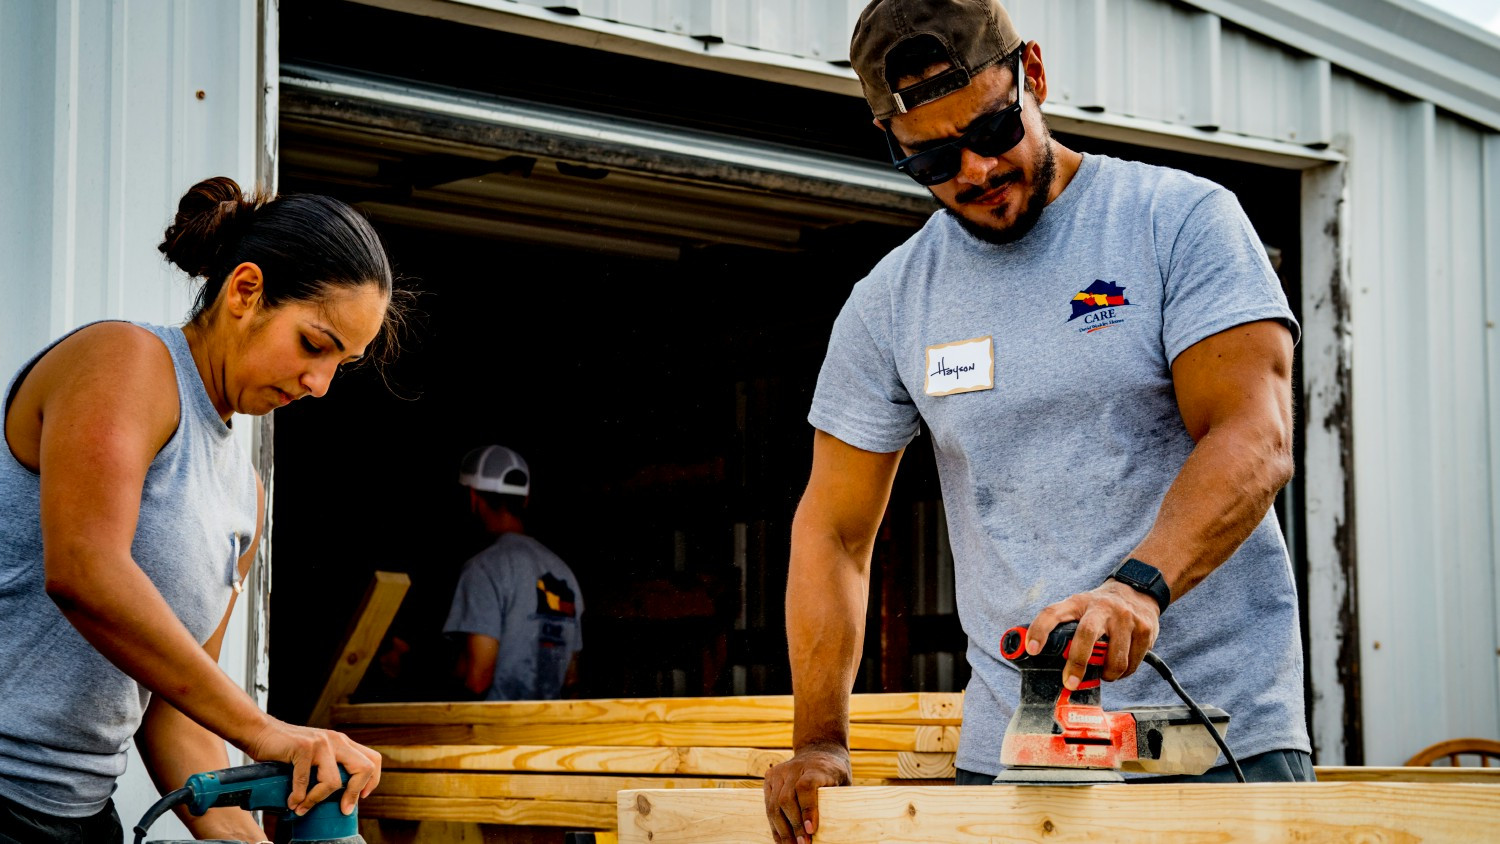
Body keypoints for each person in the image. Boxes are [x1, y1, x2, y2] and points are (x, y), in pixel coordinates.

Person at [763, 1, 1310, 840]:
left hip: (1211, 743)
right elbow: (835, 530)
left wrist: (1140, 587)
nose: (976, 170)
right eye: (936, 159)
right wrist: (820, 740)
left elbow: (1254, 435)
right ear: (891, 140)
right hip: (1016, 760)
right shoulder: (889, 304)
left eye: (991, 128)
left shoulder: (1177, 221)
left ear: (1035, 76)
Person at [0, 176, 405, 843]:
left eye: (343, 363)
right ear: (246, 291)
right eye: (314, 344)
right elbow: (84, 569)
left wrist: (246, 840)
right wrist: (266, 731)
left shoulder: (243, 493)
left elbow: (174, 712)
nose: (320, 384)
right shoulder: (125, 361)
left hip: (76, 818)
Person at [445, 446, 584, 701]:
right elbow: (570, 678)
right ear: (525, 499)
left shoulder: (483, 569)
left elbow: (478, 678)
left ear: (473, 498)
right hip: (548, 732)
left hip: (496, 735)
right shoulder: (563, 573)